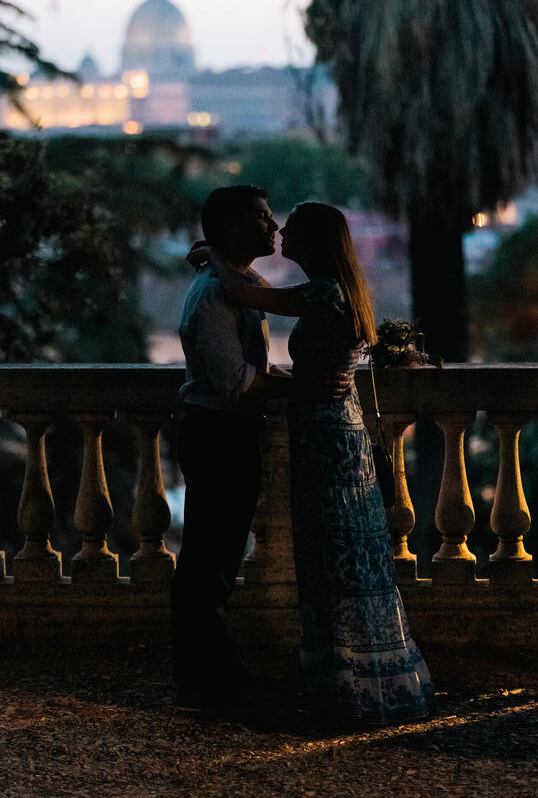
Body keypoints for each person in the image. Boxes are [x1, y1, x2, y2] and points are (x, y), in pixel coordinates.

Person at [200, 201, 434, 727]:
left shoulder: (324, 290)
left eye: (293, 228)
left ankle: (351, 685)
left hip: (328, 435)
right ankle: (359, 678)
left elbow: (240, 293)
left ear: (315, 241)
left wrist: (212, 253)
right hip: (331, 427)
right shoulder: (337, 291)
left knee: (337, 555)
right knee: (341, 552)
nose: (281, 231)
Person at [173, 185, 349, 715]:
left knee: (218, 556)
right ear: (231, 225)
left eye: (275, 219)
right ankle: (206, 682)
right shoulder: (215, 294)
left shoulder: (243, 285)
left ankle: (214, 677)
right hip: (218, 433)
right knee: (210, 560)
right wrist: (304, 387)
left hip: (230, 434)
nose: (272, 227)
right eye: (262, 217)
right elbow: (234, 380)